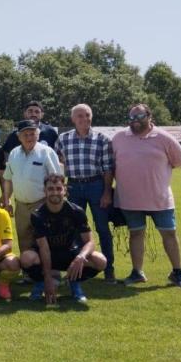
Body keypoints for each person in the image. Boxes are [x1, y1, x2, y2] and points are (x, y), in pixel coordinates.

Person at [112, 103, 181, 288]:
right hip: (130, 200)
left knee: (169, 234)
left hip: (160, 199)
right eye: (131, 118)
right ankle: (137, 272)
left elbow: (180, 161)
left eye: (139, 117)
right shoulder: (118, 138)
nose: (135, 121)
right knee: (136, 234)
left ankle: (178, 272)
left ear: (149, 116)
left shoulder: (164, 138)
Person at [20, 174, 107, 303]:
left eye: (58, 188)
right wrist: (48, 279)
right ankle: (40, 284)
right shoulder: (38, 215)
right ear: (45, 191)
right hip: (46, 255)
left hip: (70, 254)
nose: (55, 192)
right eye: (50, 189)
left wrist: (80, 257)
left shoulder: (76, 211)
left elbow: (90, 242)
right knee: (26, 258)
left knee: (100, 260)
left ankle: (74, 282)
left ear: (65, 190)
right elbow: (44, 248)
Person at [55, 103, 116, 281]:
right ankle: (75, 267)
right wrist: (61, 189)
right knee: (73, 230)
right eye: (80, 116)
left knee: (103, 228)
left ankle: (109, 269)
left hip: (96, 185)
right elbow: (57, 166)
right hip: (73, 186)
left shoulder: (102, 139)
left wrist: (106, 192)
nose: (84, 119)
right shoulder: (63, 139)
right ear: (73, 119)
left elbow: (107, 169)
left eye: (87, 115)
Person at [2, 120, 63, 254]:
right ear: (19, 137)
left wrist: (54, 204)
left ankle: (51, 270)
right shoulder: (13, 153)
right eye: (25, 134)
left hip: (42, 204)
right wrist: (7, 200)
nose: (29, 137)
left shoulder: (47, 152)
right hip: (21, 206)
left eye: (32, 134)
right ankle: (28, 272)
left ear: (38, 135)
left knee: (46, 239)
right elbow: (8, 179)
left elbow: (57, 179)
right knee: (24, 239)